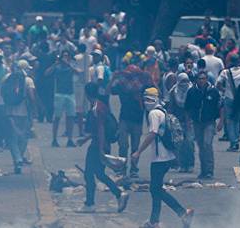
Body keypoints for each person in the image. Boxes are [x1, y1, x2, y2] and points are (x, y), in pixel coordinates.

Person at [132, 87, 194, 228]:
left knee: (156, 190)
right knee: (156, 189)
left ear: (155, 99)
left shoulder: (154, 113)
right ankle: (154, 221)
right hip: (166, 156)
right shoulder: (162, 110)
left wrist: (138, 152)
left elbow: (152, 134)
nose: (146, 102)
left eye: (149, 99)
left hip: (160, 158)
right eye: (145, 99)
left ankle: (182, 212)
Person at [76, 83, 130, 213]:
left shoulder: (96, 108)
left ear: (87, 94)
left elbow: (100, 129)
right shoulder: (102, 105)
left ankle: (90, 204)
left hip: (98, 146)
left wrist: (100, 149)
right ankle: (119, 194)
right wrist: (85, 139)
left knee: (89, 173)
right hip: (101, 144)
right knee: (99, 174)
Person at [110, 64, 150, 178]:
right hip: (126, 118)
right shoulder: (122, 84)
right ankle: (123, 168)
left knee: (135, 146)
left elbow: (154, 93)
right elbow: (109, 91)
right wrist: (114, 78)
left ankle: (133, 168)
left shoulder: (141, 85)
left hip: (135, 119)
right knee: (123, 145)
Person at [185, 71, 222, 179]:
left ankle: (210, 170)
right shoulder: (192, 91)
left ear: (207, 79)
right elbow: (187, 108)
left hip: (209, 122)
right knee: (201, 146)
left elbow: (221, 106)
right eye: (200, 79)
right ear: (197, 80)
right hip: (197, 122)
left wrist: (221, 121)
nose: (202, 81)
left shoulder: (213, 91)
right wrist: (188, 121)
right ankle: (203, 170)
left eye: (204, 78)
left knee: (207, 144)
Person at [2, 60, 37, 174]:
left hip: (10, 113)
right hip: (24, 113)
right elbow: (32, 97)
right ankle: (19, 158)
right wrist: (34, 110)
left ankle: (17, 159)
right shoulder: (28, 80)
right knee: (23, 137)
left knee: (12, 138)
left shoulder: (7, 78)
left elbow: (3, 93)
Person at [46, 50, 80, 148]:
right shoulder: (57, 67)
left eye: (67, 56)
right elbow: (47, 73)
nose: (65, 58)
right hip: (59, 94)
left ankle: (70, 139)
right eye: (63, 56)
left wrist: (69, 64)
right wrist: (55, 64)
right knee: (57, 117)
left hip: (70, 94)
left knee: (70, 117)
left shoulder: (71, 67)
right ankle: (54, 139)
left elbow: (79, 73)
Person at [165, 73, 195, 172]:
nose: (184, 84)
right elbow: (170, 106)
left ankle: (190, 163)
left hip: (190, 121)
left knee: (189, 143)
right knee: (180, 143)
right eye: (182, 81)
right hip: (178, 121)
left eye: (186, 81)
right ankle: (182, 165)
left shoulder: (192, 90)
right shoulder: (173, 91)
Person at [216, 54, 240, 152]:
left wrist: (224, 90)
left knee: (229, 121)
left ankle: (233, 142)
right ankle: (237, 138)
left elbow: (218, 84)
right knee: (238, 120)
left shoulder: (225, 72)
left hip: (229, 97)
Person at [73, 44, 91, 137]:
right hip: (87, 83)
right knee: (86, 107)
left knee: (79, 108)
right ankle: (86, 128)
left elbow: (74, 68)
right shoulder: (90, 57)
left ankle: (80, 130)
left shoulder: (76, 57)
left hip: (79, 84)